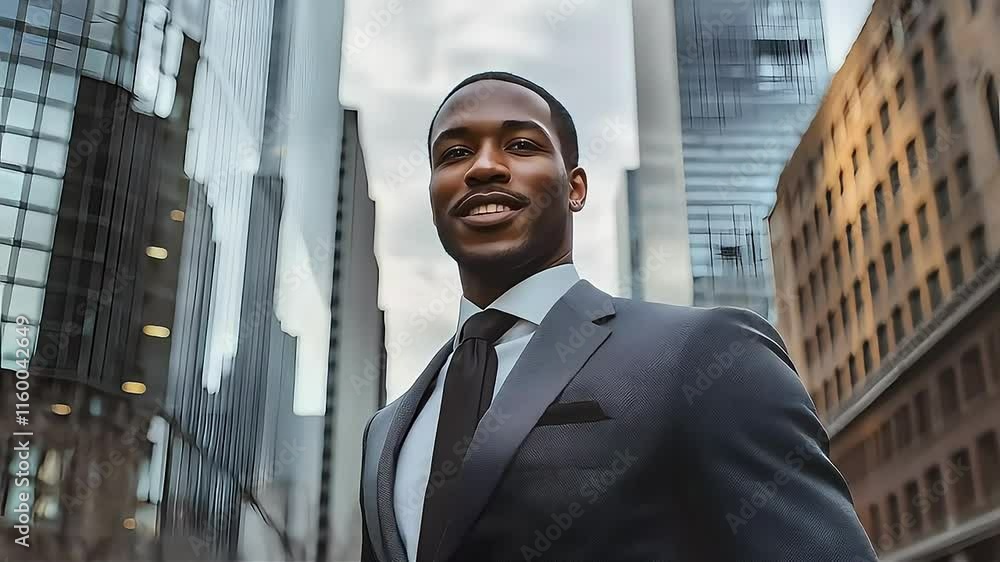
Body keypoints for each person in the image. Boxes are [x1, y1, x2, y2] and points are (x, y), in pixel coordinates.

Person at [359, 71, 878, 562]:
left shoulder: (709, 355)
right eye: (455, 153)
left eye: (521, 145)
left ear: (575, 188)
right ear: (434, 194)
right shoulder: (384, 433)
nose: (484, 167)